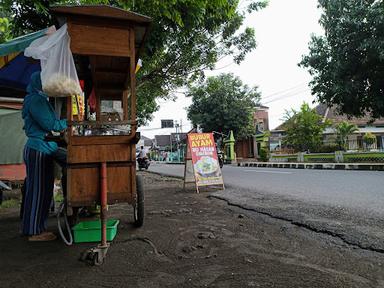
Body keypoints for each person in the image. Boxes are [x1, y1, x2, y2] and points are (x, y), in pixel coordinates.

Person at [21, 72, 67, 241]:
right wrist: (68, 122)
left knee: (38, 191)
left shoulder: (36, 98)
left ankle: (31, 228)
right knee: (39, 192)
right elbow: (50, 124)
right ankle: (35, 232)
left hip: (39, 147)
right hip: (38, 148)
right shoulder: (36, 100)